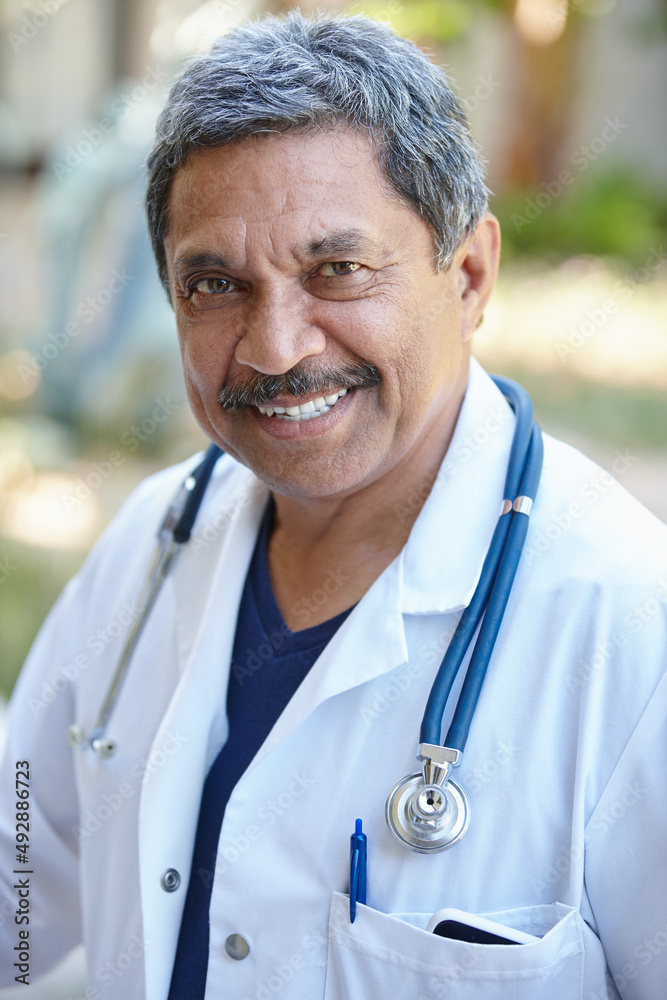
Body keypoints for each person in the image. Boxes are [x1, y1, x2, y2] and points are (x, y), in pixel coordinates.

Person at [1, 11, 666, 999]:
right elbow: (19, 888)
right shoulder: (151, 545)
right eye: (215, 283)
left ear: (470, 273)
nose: (275, 348)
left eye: (336, 270)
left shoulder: (626, 626)